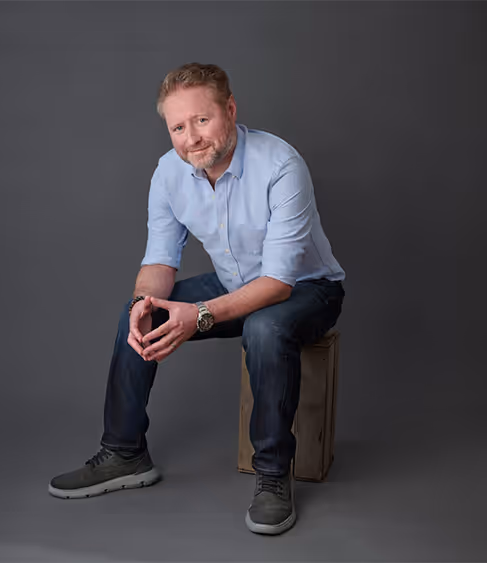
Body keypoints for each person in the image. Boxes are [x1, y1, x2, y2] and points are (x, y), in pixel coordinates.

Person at [47, 62, 346, 536]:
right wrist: (146, 301)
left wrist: (200, 316)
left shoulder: (281, 165)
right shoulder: (169, 173)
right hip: (234, 282)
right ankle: (125, 452)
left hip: (308, 288)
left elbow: (278, 284)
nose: (192, 138)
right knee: (138, 314)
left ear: (229, 110)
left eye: (202, 120)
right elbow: (160, 262)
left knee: (264, 326)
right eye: (178, 127)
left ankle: (272, 477)